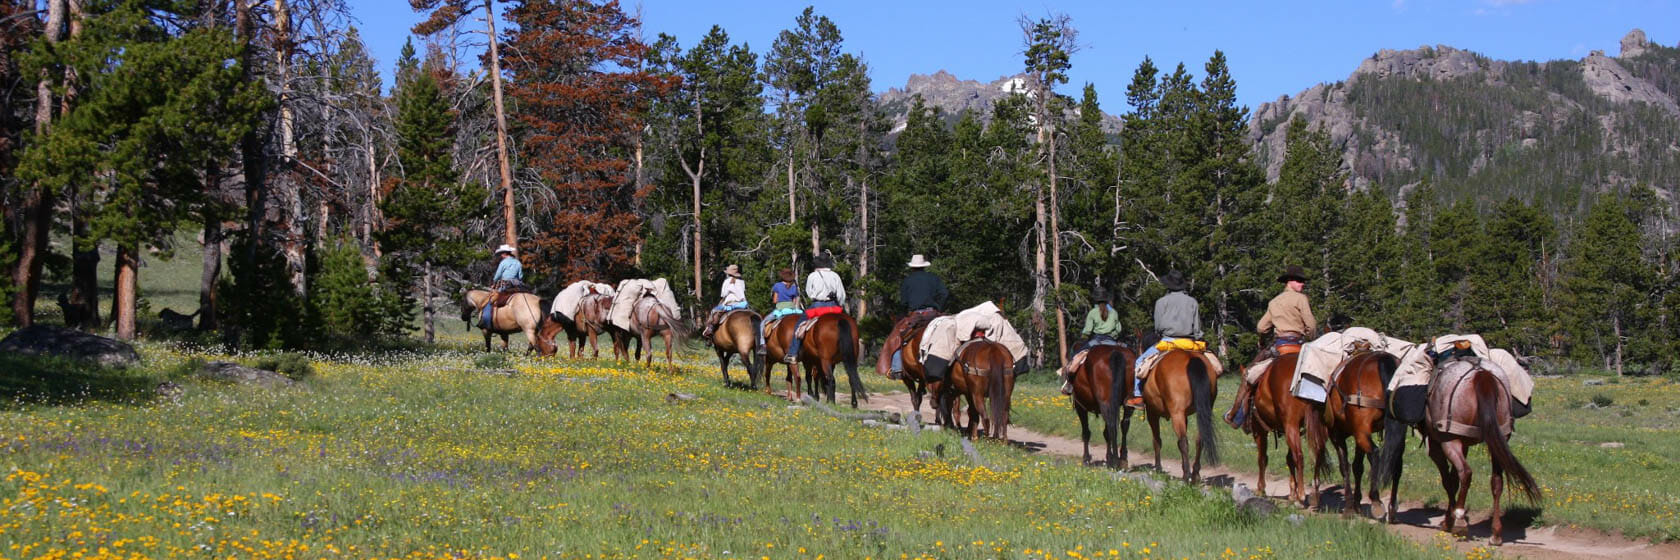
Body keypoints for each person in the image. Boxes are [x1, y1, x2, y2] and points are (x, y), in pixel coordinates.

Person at [1226, 265, 1316, 429]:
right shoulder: (1301, 299)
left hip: (1280, 347)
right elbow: (1310, 324)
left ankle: (1236, 414)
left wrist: (1263, 338)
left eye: (1302, 281)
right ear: (1289, 282)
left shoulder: (1274, 302)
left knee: (1250, 375)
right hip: (1299, 346)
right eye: (1299, 281)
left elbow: (1261, 327)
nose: (1302, 284)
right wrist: (1311, 337)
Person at [1130, 271, 1203, 408]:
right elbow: (1197, 328)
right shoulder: (1193, 302)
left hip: (1167, 342)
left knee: (1139, 362)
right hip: (1189, 342)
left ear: (1168, 285)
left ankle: (1138, 396)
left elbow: (1157, 326)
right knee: (1213, 365)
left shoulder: (1161, 302)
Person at [890, 254, 948, 377]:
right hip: (932, 313)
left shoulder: (907, 281)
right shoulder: (934, 278)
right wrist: (939, 308)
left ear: (912, 267)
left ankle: (897, 367)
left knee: (898, 336)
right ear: (924, 267)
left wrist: (902, 314)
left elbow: (904, 302)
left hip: (915, 314)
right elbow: (945, 293)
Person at [1058, 286, 1122, 395]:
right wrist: (1114, 336)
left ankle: (1069, 383)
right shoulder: (1114, 312)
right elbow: (1118, 329)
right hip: (1112, 341)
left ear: (1095, 299)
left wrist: (1084, 337)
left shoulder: (1093, 312)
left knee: (1075, 357)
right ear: (1106, 299)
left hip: (1096, 340)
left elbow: (1087, 330)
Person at [784, 253, 845, 363]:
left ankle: (793, 353)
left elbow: (809, 292)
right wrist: (839, 304)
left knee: (799, 324)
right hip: (834, 307)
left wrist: (816, 296)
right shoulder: (835, 275)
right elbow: (841, 294)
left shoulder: (813, 275)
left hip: (817, 306)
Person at [482, 244, 524, 328]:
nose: (501, 255)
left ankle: (486, 322)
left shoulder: (503, 262)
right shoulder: (518, 262)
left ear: (505, 254)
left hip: (505, 285)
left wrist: (494, 282)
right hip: (517, 285)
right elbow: (520, 276)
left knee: (490, 301)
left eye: (501, 253)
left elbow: (498, 275)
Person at [701, 264, 749, 338]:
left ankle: (710, 329)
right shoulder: (742, 281)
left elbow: (723, 294)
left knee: (714, 311)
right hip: (742, 304)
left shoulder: (727, 281)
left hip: (730, 305)